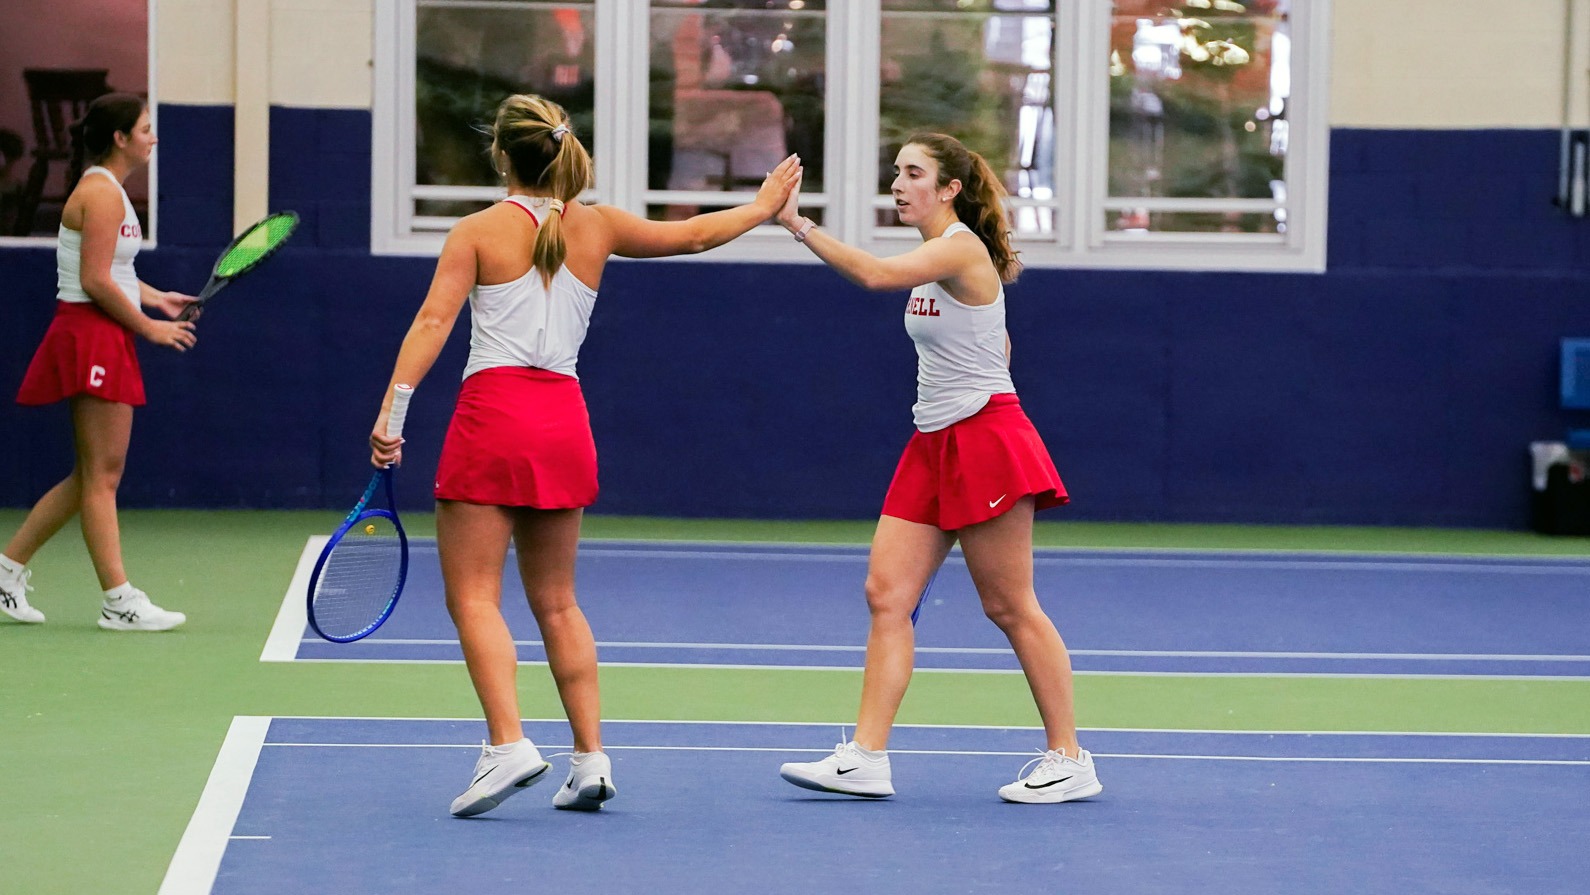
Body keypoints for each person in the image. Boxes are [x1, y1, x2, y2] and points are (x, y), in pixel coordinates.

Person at [368, 94, 800, 816]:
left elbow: (433, 320)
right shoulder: (596, 226)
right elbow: (693, 235)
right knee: (559, 601)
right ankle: (590, 757)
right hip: (564, 420)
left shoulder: (476, 231)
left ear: (501, 154)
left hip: (495, 415)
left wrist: (392, 412)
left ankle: (507, 743)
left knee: (473, 595)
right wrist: (761, 207)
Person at [774, 133, 1102, 804]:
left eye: (912, 172)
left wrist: (797, 223)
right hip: (932, 441)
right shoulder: (936, 260)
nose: (898, 182)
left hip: (984, 438)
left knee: (1008, 604)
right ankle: (866, 756)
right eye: (895, 170)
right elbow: (997, 340)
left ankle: (1070, 756)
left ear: (948, 188)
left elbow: (869, 275)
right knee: (886, 593)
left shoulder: (955, 247)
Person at [0, 94, 196, 631]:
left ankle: (5, 570)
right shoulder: (101, 194)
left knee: (91, 473)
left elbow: (113, 270)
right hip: (92, 334)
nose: (153, 138)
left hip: (101, 329)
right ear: (120, 138)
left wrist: (156, 298)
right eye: (146, 129)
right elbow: (94, 281)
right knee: (103, 476)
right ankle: (119, 601)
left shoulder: (108, 192)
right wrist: (150, 327)